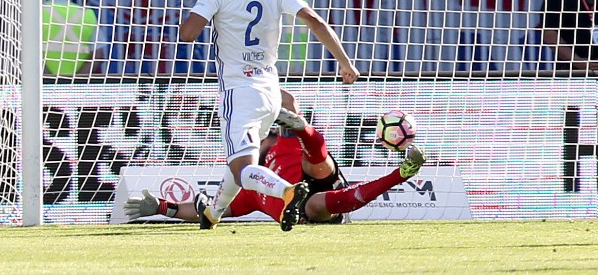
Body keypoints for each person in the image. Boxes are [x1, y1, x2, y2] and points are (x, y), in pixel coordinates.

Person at [178, 0, 359, 230]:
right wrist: (345, 62)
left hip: (240, 91)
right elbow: (314, 20)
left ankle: (286, 190)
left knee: (243, 168)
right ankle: (213, 214)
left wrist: (203, 22)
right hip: (271, 93)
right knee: (239, 158)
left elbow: (187, 34)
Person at [125, 106, 427, 225]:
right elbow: (211, 211)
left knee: (315, 162)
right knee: (316, 203)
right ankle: (403, 173)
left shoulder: (279, 142)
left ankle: (303, 128)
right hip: (314, 210)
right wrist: (164, 208)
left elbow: (287, 100)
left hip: (317, 174)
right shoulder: (248, 188)